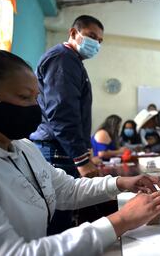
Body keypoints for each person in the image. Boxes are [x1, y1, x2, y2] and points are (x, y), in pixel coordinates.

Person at [0, 49, 160, 255]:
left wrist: (121, 183)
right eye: (24, 97)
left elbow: (67, 189)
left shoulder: (24, 148)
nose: (35, 108)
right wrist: (122, 220)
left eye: (36, 98)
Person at [29, 15, 105, 234]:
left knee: (65, 215)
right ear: (73, 33)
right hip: (57, 149)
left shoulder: (72, 61)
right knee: (58, 218)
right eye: (91, 36)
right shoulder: (63, 58)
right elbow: (62, 113)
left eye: (100, 40)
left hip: (62, 148)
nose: (96, 44)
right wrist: (82, 159)